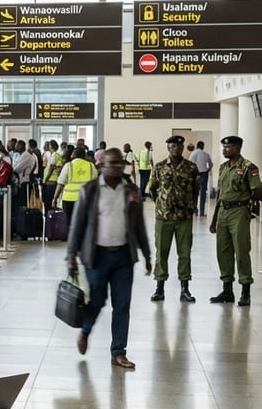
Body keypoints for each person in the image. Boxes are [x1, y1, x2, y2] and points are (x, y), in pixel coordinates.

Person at [66, 148, 152, 370]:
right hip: (97, 256)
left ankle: (118, 352)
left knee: (122, 305)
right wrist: (71, 257)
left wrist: (147, 255)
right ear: (101, 165)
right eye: (111, 163)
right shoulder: (90, 190)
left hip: (124, 256)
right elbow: (77, 225)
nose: (116, 167)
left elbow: (139, 224)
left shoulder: (131, 190)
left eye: (119, 163)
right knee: (97, 300)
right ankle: (85, 332)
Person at [209, 135, 262, 307]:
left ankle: (245, 291)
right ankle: (227, 290)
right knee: (223, 252)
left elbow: (257, 190)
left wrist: (250, 205)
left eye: (228, 147)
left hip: (239, 212)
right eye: (224, 147)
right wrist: (214, 218)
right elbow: (220, 194)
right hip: (223, 211)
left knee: (241, 251)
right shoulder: (223, 167)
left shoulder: (248, 167)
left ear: (238, 148)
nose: (224, 150)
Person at [147, 136, 199, 303]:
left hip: (184, 218)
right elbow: (153, 188)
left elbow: (196, 190)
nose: (175, 148)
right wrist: (162, 204)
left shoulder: (191, 168)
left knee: (184, 253)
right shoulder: (159, 167)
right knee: (161, 252)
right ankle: (159, 289)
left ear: (183, 147)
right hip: (164, 218)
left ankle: (185, 289)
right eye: (172, 145)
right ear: (168, 147)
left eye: (178, 145)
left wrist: (190, 206)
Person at [51, 145, 96, 222]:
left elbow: (60, 183)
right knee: (84, 224)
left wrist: (55, 198)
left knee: (70, 223)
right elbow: (96, 183)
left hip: (69, 200)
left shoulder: (68, 166)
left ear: (73, 155)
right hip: (86, 200)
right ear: (84, 156)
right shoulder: (91, 166)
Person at [190, 140, 214, 217]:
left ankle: (194, 210)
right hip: (204, 173)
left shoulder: (193, 153)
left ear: (197, 146)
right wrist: (207, 170)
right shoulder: (206, 154)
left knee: (194, 192)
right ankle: (202, 212)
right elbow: (211, 164)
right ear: (203, 146)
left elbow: (189, 164)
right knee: (203, 193)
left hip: (194, 174)